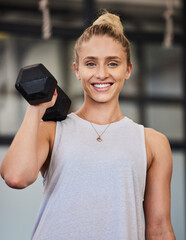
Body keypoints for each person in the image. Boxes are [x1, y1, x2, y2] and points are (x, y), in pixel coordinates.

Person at [0, 10, 175, 240]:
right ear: (77, 70)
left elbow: (159, 229)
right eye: (91, 64)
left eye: (113, 63)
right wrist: (37, 107)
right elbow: (15, 177)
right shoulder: (52, 131)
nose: (101, 74)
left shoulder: (153, 143)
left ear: (128, 70)